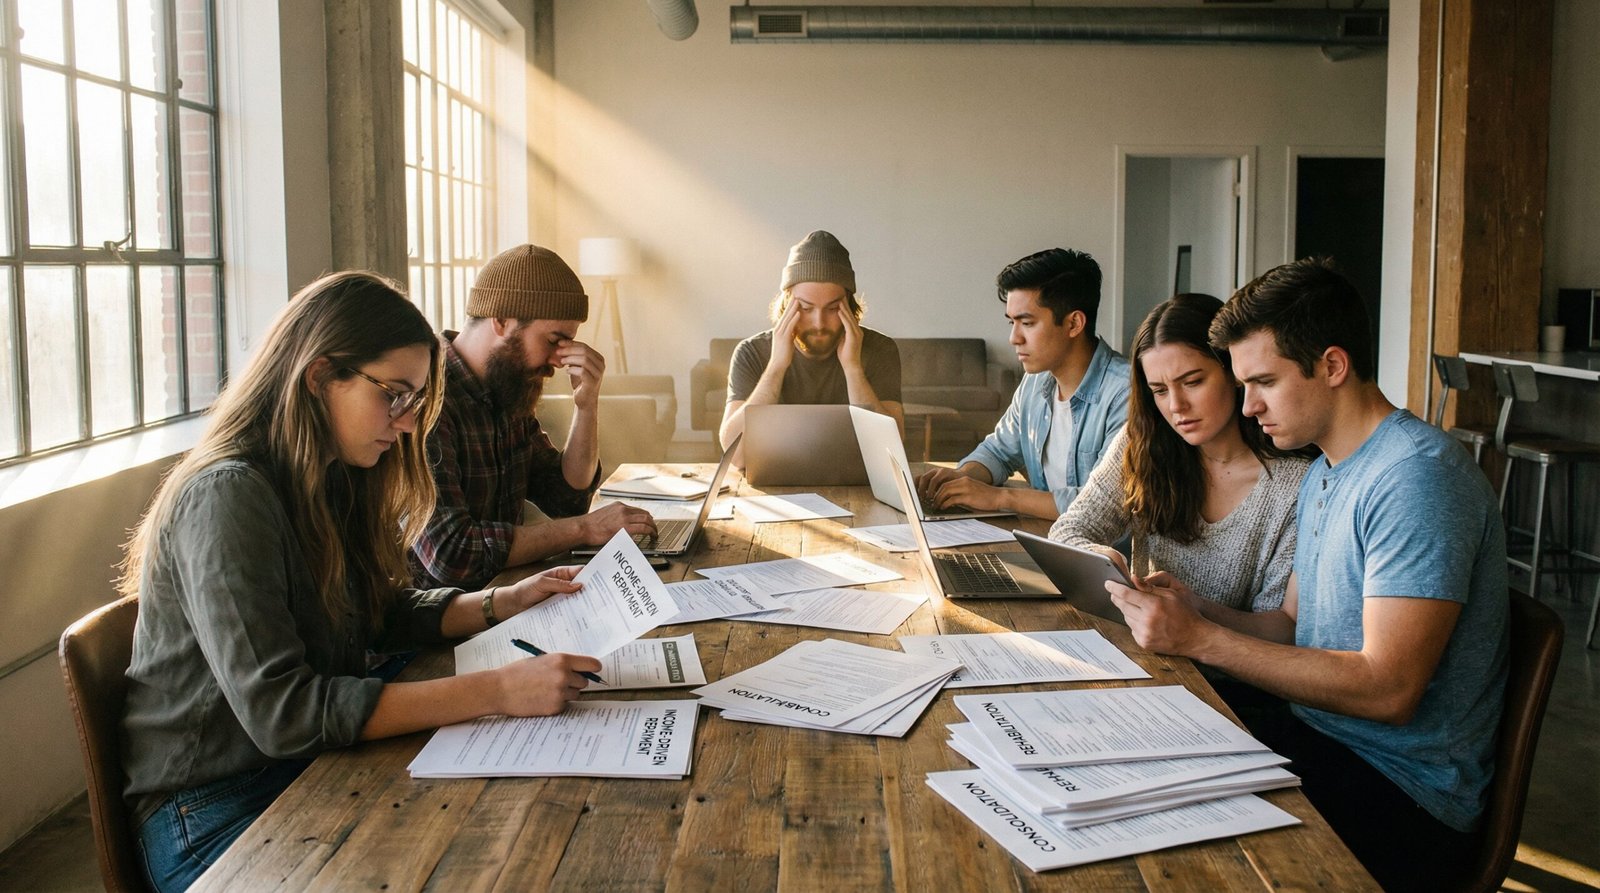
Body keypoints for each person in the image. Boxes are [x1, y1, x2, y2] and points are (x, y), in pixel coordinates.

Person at [118, 272, 603, 893]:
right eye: (394, 395)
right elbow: (285, 713)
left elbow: (373, 609)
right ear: (320, 377)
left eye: (416, 401)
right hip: (215, 806)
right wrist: (499, 689)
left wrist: (497, 603)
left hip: (302, 765)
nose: (406, 423)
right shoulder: (227, 494)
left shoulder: (330, 472)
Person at [1106, 259, 1508, 893]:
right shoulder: (1325, 468)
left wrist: (1201, 641)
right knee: (1121, 747)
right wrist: (1199, 609)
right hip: (1314, 737)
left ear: (1332, 366)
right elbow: (1289, 626)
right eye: (1242, 384)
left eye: (1263, 381)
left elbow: (1389, 689)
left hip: (1401, 793)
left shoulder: (1416, 477)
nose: (1248, 405)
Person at [409, 244, 655, 589]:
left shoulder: (506, 389)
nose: (559, 360)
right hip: (437, 625)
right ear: (501, 320)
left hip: (505, 597)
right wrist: (585, 529)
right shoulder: (426, 396)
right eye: (554, 340)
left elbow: (565, 498)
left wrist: (586, 406)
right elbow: (454, 555)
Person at [1050, 293, 1309, 611]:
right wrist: (1093, 553)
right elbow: (1068, 529)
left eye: (1193, 382)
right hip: (1140, 648)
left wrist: (1189, 613)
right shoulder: (1142, 442)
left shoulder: (1293, 486)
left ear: (1234, 373)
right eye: (1159, 390)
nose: (1176, 407)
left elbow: (1278, 631)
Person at [917, 248, 1129, 519]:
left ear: (1074, 323)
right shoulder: (1035, 382)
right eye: (1011, 322)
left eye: (1026, 323)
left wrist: (1001, 497)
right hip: (1046, 541)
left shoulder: (1126, 394)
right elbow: (999, 451)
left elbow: (1101, 507)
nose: (1014, 338)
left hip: (1104, 557)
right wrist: (960, 480)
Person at [718, 230, 903, 467]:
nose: (819, 324)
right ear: (787, 305)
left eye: (833, 308)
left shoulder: (881, 350)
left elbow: (890, 453)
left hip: (860, 490)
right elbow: (737, 457)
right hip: (771, 494)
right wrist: (776, 367)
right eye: (806, 308)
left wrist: (853, 369)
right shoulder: (751, 352)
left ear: (849, 305)